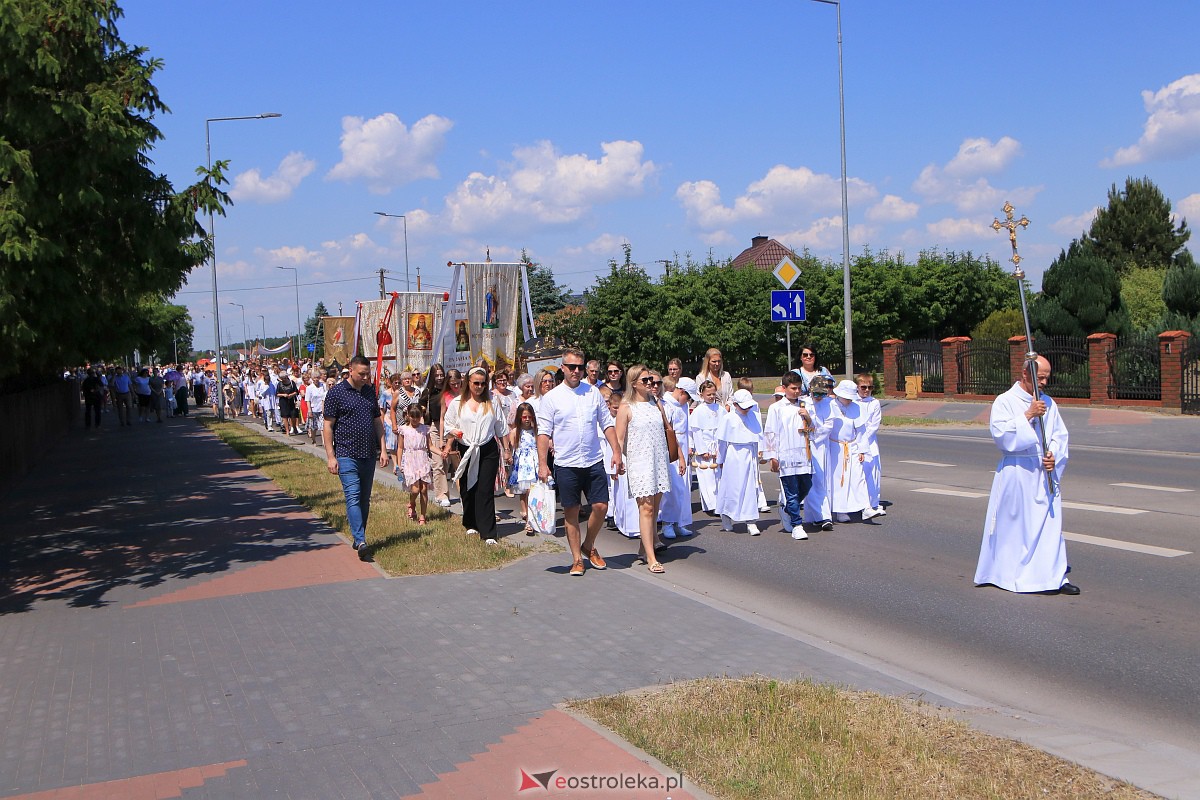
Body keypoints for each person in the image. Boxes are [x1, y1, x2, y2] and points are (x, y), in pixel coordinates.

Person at [974, 356, 1077, 595]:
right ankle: (1006, 574)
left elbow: (1059, 435)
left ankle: (1053, 576)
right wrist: (1028, 415)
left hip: (1043, 473)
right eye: (1040, 377)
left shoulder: (1049, 403)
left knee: (1049, 525)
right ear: (1025, 375)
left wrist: (1054, 455)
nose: (1044, 383)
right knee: (1015, 528)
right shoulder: (1005, 401)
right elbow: (1001, 435)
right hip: (1017, 473)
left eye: (1047, 378)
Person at [536, 347, 624, 577]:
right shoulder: (552, 397)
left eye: (580, 367)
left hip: (593, 459)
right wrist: (542, 464)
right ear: (563, 368)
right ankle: (576, 559)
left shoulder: (592, 392)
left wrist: (616, 451)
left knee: (601, 506)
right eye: (571, 367)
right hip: (566, 463)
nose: (576, 371)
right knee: (571, 513)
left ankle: (589, 545)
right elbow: (543, 433)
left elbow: (607, 424)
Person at [323, 355, 389, 561]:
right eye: (361, 374)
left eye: (367, 374)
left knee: (364, 499)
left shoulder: (369, 392)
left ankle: (357, 535)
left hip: (368, 454)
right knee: (352, 495)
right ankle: (361, 540)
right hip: (346, 453)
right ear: (350, 370)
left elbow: (377, 421)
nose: (365, 377)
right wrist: (330, 456)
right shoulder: (336, 393)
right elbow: (328, 426)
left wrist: (384, 448)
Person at [614, 365, 673, 573]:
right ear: (634, 384)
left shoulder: (656, 404)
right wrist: (617, 461)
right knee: (646, 508)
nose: (651, 384)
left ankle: (643, 547)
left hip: (658, 462)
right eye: (646, 381)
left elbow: (668, 431)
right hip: (639, 464)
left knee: (654, 509)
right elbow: (619, 439)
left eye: (652, 380)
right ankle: (651, 557)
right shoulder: (626, 407)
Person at [442, 366, 510, 544]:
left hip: (487, 449)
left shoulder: (492, 402)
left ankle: (488, 533)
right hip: (466, 449)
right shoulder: (458, 403)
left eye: (482, 383)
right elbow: (447, 425)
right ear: (468, 383)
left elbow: (501, 428)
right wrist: (454, 433)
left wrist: (507, 450)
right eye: (476, 383)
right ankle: (471, 522)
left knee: (484, 489)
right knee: (468, 487)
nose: (479, 387)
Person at [764, 371, 814, 540]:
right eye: (793, 388)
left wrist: (808, 417)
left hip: (803, 453)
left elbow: (814, 429)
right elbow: (770, 432)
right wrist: (773, 456)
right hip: (786, 454)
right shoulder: (776, 408)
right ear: (784, 388)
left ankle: (787, 509)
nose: (797, 392)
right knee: (791, 491)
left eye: (799, 388)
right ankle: (797, 524)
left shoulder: (805, 404)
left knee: (806, 486)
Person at [716, 389, 763, 535]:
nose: (747, 409)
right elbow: (722, 441)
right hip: (733, 455)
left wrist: (760, 451)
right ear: (735, 404)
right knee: (731, 487)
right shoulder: (728, 418)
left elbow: (758, 436)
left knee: (750, 488)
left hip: (749, 455)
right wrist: (720, 459)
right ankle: (726, 517)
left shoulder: (754, 416)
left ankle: (751, 520)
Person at [829, 380, 872, 522]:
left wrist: (862, 450)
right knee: (840, 479)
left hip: (852, 446)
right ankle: (841, 510)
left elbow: (861, 431)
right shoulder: (830, 406)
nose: (848, 400)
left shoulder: (857, 407)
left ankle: (866, 507)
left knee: (858, 476)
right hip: (835, 447)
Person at [657, 375, 693, 539]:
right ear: (681, 391)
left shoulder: (683, 405)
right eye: (689, 396)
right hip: (672, 446)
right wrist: (679, 455)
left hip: (684, 445)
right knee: (673, 487)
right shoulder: (666, 403)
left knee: (683, 488)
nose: (690, 401)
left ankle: (680, 521)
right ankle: (667, 522)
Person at [802, 377, 837, 532]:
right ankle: (815, 516)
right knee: (806, 481)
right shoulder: (803, 402)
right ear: (810, 389)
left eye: (822, 394)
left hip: (820, 446)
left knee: (819, 481)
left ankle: (824, 516)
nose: (818, 397)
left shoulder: (830, 404)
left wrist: (812, 422)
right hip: (803, 445)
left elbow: (827, 428)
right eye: (816, 393)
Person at [419, 364, 451, 508]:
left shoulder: (449, 391)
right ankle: (441, 494)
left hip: (449, 428)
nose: (439, 378)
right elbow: (420, 410)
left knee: (447, 462)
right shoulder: (427, 392)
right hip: (434, 426)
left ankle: (445, 491)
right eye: (436, 375)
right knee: (437, 462)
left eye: (441, 375)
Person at [689, 379, 723, 513]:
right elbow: (696, 432)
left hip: (717, 447)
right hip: (705, 447)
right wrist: (702, 450)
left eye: (713, 394)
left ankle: (719, 503)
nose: (712, 397)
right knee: (706, 477)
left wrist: (721, 448)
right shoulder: (698, 411)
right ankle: (711, 505)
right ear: (701, 395)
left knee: (717, 477)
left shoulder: (719, 408)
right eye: (708, 394)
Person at [397, 404, 433, 525]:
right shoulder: (404, 429)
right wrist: (398, 464)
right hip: (410, 460)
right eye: (413, 417)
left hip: (422, 459)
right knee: (415, 489)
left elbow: (430, 446)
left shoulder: (425, 429)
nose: (415, 419)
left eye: (418, 417)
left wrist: (441, 452)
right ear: (408, 415)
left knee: (423, 489)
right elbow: (400, 447)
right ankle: (412, 502)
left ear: (421, 416)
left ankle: (423, 516)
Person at [508, 402, 540, 534]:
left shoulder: (536, 431)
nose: (527, 419)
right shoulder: (515, 432)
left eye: (529, 417)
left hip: (534, 463)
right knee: (523, 490)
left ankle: (532, 518)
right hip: (522, 464)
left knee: (533, 492)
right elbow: (511, 448)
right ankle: (526, 513)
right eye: (524, 417)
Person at [856, 373, 885, 517]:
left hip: (869, 442)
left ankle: (874, 503)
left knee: (873, 472)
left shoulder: (874, 403)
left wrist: (863, 439)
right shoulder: (853, 402)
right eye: (863, 387)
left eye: (870, 387)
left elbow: (874, 425)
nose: (866, 390)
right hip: (854, 442)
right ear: (857, 387)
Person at [305, 372, 328, 445]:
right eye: (315, 378)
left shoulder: (323, 386)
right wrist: (309, 411)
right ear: (312, 379)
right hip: (313, 408)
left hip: (322, 409)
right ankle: (314, 440)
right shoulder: (309, 388)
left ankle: (324, 442)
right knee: (314, 427)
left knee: (322, 426)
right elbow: (308, 400)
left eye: (317, 378)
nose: (316, 379)